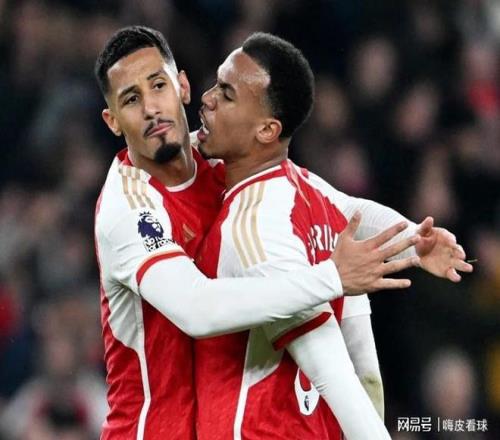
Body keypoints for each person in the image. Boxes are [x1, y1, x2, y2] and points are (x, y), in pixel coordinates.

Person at [93, 26, 418, 440]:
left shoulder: (221, 156)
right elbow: (197, 309)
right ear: (113, 121)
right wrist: (331, 278)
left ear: (183, 87)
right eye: (131, 99)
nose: (151, 108)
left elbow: (330, 201)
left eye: (158, 85)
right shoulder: (129, 209)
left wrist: (418, 238)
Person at [194, 32, 473, 439]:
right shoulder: (305, 190)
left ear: (267, 130)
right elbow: (352, 209)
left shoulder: (253, 228)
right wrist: (415, 238)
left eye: (227, 94)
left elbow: (332, 372)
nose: (206, 99)